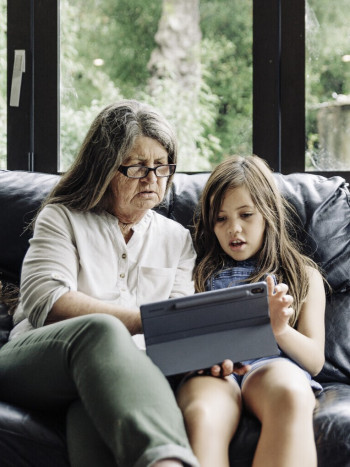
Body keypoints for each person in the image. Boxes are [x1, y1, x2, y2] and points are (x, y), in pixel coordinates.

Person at [0, 100, 200, 467]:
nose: (152, 179)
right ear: (104, 167)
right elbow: (48, 301)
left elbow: (177, 329)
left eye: (161, 167)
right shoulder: (61, 217)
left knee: (90, 412)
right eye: (138, 167)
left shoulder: (178, 239)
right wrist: (147, 320)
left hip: (118, 374)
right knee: (102, 330)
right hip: (35, 360)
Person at [176, 155, 326, 467]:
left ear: (268, 213)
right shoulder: (195, 272)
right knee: (203, 414)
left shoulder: (302, 275)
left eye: (246, 215)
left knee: (292, 395)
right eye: (221, 219)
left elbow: (314, 361)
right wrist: (203, 357)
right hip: (215, 372)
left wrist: (280, 329)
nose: (234, 229)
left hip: (272, 367)